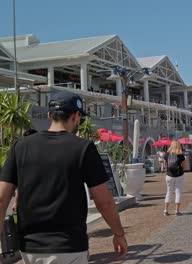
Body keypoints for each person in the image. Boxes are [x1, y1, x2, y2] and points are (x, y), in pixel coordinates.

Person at [0, 91, 127, 263]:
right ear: (75, 117)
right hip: (69, 246)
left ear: (49, 115)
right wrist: (118, 233)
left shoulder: (20, 146)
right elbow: (104, 202)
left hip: (30, 247)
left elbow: (2, 199)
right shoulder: (83, 148)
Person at [163, 140, 186, 216]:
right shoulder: (180, 155)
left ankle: (166, 210)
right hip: (179, 175)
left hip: (169, 175)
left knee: (169, 192)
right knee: (178, 192)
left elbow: (164, 165)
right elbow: (184, 166)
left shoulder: (167, 154)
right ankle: (177, 211)